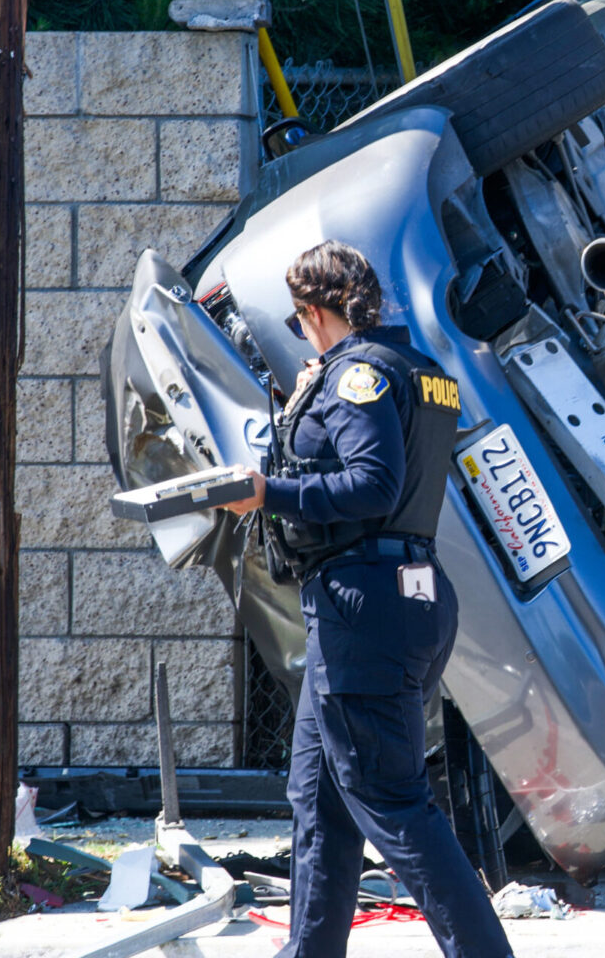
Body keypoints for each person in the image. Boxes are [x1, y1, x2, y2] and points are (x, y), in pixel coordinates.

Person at [220, 241, 514, 958]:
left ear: (315, 312)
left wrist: (269, 492)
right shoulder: (419, 371)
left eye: (299, 323)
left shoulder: (360, 377)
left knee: (392, 800)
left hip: (366, 606)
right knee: (319, 803)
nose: (301, 337)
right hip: (398, 595)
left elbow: (373, 484)